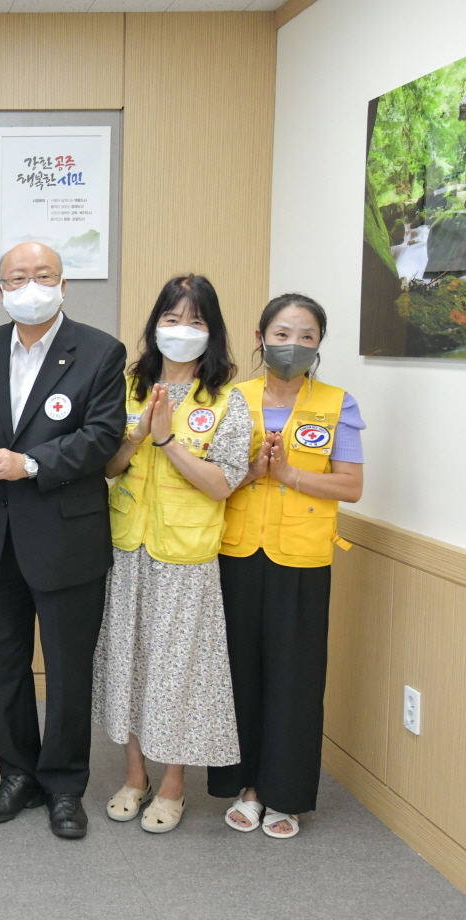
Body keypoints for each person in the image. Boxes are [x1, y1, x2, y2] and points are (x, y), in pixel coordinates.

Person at [0, 241, 126, 840]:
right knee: (4, 667)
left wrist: (28, 464)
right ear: (1, 287)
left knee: (67, 669)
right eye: (17, 278)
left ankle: (64, 785)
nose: (30, 287)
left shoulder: (101, 350)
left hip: (66, 539)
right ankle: (16, 775)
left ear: (63, 283)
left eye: (43, 275)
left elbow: (102, 436)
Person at [93, 273, 249, 834]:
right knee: (129, 661)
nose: (181, 329)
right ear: (154, 325)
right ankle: (135, 776)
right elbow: (106, 467)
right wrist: (136, 436)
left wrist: (167, 441)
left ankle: (174, 784)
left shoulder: (227, 401)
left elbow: (223, 484)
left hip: (185, 557)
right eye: (171, 318)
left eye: (195, 320)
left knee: (176, 669)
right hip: (127, 548)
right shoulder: (126, 387)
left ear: (213, 332)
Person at [209, 294, 364, 840]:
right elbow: (210, 479)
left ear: (318, 344)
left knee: (295, 679)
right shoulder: (230, 400)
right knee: (239, 674)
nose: (292, 345)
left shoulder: (337, 404)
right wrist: (255, 472)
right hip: (236, 554)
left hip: (301, 558)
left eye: (305, 337)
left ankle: (286, 796)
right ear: (260, 338)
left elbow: (351, 485)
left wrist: (290, 475)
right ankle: (247, 789)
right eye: (281, 334)